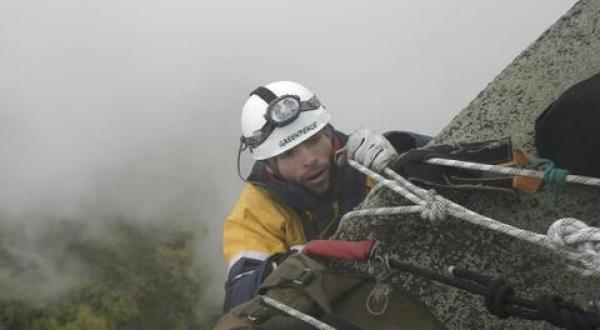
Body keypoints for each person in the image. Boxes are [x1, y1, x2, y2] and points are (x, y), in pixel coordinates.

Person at [222, 81, 432, 313]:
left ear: (327, 132)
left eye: (313, 140)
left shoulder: (365, 157)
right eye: (288, 153)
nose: (309, 159)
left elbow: (458, 166)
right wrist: (290, 264)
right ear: (269, 165)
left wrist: (405, 145)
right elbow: (238, 299)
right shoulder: (254, 212)